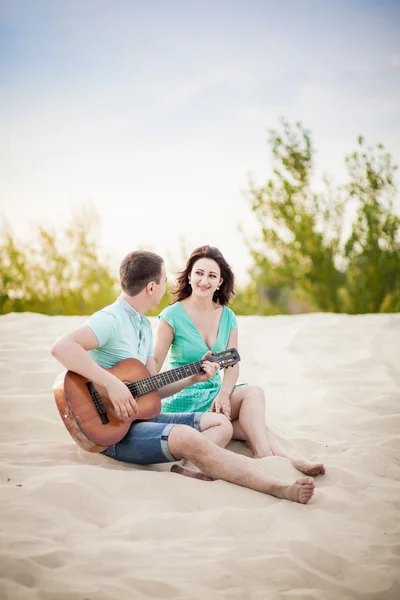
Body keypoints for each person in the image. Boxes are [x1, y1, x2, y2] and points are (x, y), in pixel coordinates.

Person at [51, 249, 316, 503]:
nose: (167, 286)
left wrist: (193, 378)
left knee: (221, 424)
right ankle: (276, 487)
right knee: (189, 437)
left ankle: (266, 460)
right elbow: (61, 347)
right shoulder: (110, 319)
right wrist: (112, 384)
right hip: (109, 432)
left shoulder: (143, 325)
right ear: (152, 287)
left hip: (138, 418)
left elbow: (150, 389)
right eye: (164, 280)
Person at [154, 245, 325, 478]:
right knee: (253, 424)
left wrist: (224, 393)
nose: (205, 280)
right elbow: (154, 363)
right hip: (183, 396)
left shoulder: (227, 316)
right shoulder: (172, 316)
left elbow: (232, 364)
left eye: (212, 276)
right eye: (199, 273)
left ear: (220, 282)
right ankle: (275, 458)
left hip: (214, 395)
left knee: (253, 399)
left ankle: (274, 457)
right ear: (190, 277)